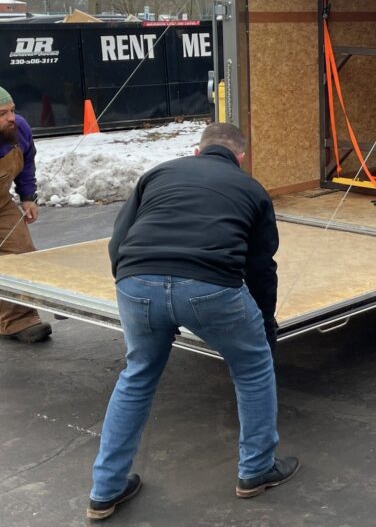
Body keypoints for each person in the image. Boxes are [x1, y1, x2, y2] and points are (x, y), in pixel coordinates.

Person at [87, 123, 297, 520]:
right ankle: (255, 471)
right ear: (241, 158)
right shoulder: (251, 189)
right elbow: (260, 265)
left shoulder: (159, 173)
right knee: (252, 368)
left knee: (137, 375)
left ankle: (105, 489)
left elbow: (119, 238)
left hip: (137, 281)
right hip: (210, 286)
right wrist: (264, 323)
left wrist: (131, 281)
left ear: (198, 151)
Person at [0, 83, 52, 343]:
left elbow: (27, 160)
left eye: (11, 110)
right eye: (1, 114)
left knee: (21, 256)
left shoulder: (19, 128)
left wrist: (27, 196)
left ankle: (16, 321)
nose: (11, 118)